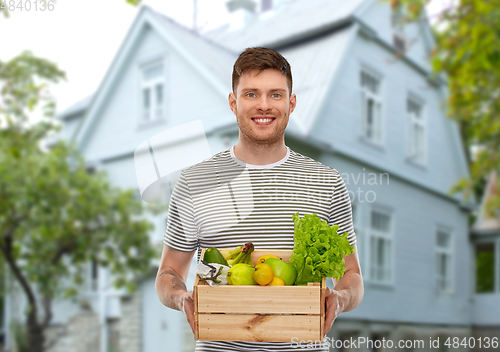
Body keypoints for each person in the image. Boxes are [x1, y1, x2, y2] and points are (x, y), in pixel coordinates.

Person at [155, 47, 364, 351]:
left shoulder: (326, 182)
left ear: (291, 104)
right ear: (233, 102)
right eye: (251, 94)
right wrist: (182, 297)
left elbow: (352, 274)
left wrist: (341, 299)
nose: (264, 106)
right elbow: (168, 273)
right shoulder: (193, 181)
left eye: (276, 95)